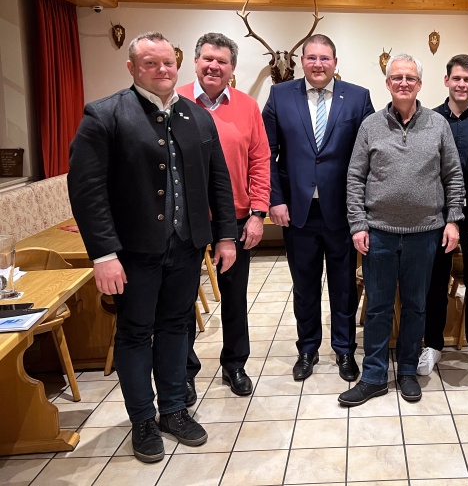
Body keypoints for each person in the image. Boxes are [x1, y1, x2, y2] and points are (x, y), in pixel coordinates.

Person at [68, 32, 237, 464]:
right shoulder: (105, 116)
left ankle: (174, 410)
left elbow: (218, 181)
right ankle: (142, 418)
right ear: (132, 68)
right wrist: (103, 254)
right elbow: (87, 191)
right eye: (150, 64)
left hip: (185, 248)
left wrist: (226, 235)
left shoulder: (198, 119)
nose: (162, 71)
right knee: (135, 333)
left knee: (177, 327)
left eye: (167, 63)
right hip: (133, 254)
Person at [341, 53, 464, 406]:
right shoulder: (371, 126)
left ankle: (408, 370)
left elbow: (453, 175)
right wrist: (357, 224)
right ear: (388, 83)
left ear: (420, 84)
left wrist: (453, 219)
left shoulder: (438, 125)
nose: (404, 83)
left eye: (410, 77)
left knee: (416, 305)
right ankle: (375, 375)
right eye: (397, 78)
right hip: (378, 232)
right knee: (378, 306)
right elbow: (355, 178)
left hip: (425, 233)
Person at [263, 34, 374, 382]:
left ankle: (344, 350)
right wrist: (275, 199)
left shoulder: (357, 97)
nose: (318, 64)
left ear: (335, 62)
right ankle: (307, 350)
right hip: (297, 213)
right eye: (311, 58)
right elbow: (266, 154)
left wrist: (364, 211)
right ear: (303, 62)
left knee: (343, 286)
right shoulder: (280, 96)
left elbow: (370, 156)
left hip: (343, 211)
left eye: (325, 58)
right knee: (305, 286)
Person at [177, 32, 270, 402]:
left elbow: (260, 162)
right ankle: (183, 371)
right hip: (183, 219)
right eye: (207, 59)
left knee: (233, 295)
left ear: (232, 69)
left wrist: (258, 214)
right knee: (181, 298)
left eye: (222, 61)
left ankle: (235, 363)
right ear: (196, 62)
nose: (214, 66)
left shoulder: (247, 107)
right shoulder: (175, 101)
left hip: (234, 217)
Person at [418, 54, 468, 377]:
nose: (462, 84)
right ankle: (433, 345)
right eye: (457, 78)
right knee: (435, 281)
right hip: (438, 216)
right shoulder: (430, 119)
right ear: (446, 81)